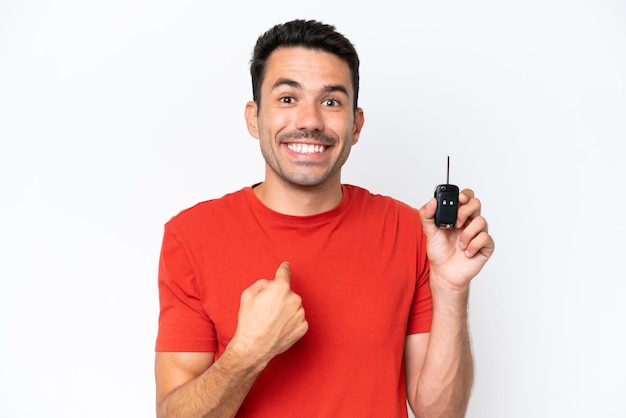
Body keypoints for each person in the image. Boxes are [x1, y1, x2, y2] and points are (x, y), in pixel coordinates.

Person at [154, 19, 495, 418]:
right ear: (253, 118)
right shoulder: (191, 237)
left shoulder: (410, 231)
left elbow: (441, 413)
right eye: (287, 99)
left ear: (356, 125)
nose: (310, 121)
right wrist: (247, 353)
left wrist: (451, 287)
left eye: (331, 101)